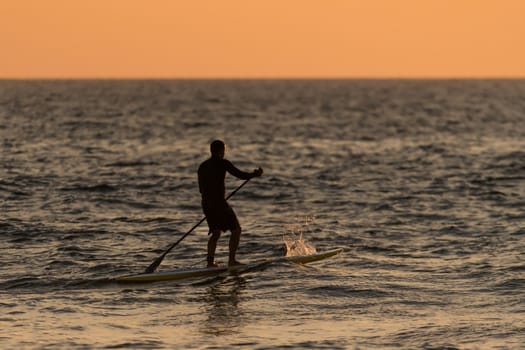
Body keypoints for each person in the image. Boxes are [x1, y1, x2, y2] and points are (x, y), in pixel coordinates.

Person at [198, 140, 263, 267]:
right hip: (219, 204)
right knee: (236, 230)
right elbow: (240, 175)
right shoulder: (223, 163)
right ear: (222, 151)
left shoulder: (202, 166)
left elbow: (201, 189)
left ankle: (210, 263)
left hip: (206, 204)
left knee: (216, 232)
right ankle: (232, 261)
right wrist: (254, 175)